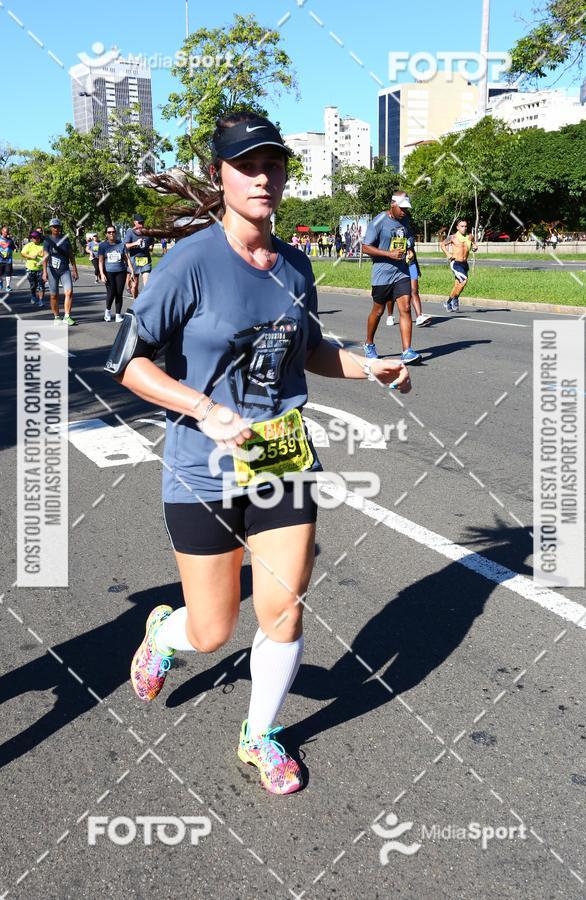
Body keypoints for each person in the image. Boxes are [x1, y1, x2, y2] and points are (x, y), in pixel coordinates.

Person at [105, 111, 410, 796]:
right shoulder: (189, 264)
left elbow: (307, 352)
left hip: (282, 461)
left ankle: (260, 734)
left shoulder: (295, 265)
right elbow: (130, 364)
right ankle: (163, 636)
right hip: (201, 470)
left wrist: (371, 366)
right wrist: (203, 408)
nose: (263, 177)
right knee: (212, 632)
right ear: (220, 177)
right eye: (247, 166)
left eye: (273, 164)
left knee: (284, 611)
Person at [361, 193, 422, 364]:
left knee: (405, 308)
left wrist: (409, 248)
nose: (404, 212)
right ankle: (369, 343)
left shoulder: (405, 220)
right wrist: (389, 254)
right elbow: (365, 247)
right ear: (392, 205)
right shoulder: (379, 221)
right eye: (401, 208)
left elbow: (409, 238)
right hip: (382, 274)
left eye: (406, 209)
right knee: (378, 311)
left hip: (401, 272)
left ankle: (407, 351)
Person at [42, 218, 79, 325]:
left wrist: (74, 269)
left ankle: (67, 316)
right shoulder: (47, 240)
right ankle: (57, 316)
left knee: (69, 292)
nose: (56, 228)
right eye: (54, 227)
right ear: (50, 228)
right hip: (52, 270)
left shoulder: (65, 239)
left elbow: (71, 255)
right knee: (54, 295)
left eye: (57, 226)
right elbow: (45, 257)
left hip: (64, 270)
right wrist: (44, 272)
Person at [98, 225, 134, 322]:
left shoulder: (121, 245)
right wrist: (102, 274)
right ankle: (108, 312)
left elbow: (127, 258)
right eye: (109, 232)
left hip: (120, 272)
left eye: (113, 232)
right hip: (108, 272)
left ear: (116, 233)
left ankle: (118, 315)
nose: (111, 234)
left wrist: (132, 271)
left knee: (119, 293)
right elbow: (101, 261)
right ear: (106, 234)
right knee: (111, 293)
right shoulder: (102, 246)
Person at [440, 219, 478, 312]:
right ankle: (455, 299)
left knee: (458, 285)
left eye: (465, 226)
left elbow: (474, 246)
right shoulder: (453, 237)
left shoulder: (470, 237)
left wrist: (475, 247)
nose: (464, 228)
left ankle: (448, 302)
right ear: (457, 227)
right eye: (462, 226)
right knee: (464, 280)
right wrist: (448, 254)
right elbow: (442, 244)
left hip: (465, 264)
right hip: (455, 263)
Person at [124, 214, 155, 299]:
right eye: (140, 222)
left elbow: (152, 242)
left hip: (145, 260)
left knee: (147, 283)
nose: (142, 224)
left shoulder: (147, 232)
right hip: (134, 260)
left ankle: (145, 302)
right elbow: (125, 246)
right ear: (135, 222)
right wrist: (135, 243)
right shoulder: (130, 232)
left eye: (142, 222)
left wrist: (151, 246)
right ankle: (135, 300)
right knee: (135, 285)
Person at [21, 230, 45, 307]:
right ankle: (33, 296)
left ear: (39, 238)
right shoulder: (29, 245)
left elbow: (48, 255)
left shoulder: (43, 245)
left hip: (41, 268)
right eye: (32, 237)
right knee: (33, 285)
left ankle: (41, 300)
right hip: (30, 268)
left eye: (35, 237)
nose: (33, 239)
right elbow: (22, 253)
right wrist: (31, 256)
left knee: (41, 285)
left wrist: (43, 256)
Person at [0, 225, 16, 293]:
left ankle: (8, 286)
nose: (6, 233)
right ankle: (0, 282)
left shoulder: (10, 240)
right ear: (1, 232)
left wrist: (15, 249)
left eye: (7, 232)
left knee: (8, 273)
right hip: (0, 260)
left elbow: (13, 247)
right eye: (4, 232)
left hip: (8, 260)